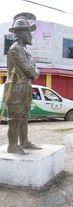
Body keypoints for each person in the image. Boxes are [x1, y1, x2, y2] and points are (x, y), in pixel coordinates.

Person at [3, 13, 40, 154]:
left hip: (25, 88)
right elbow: (32, 72)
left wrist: (34, 70)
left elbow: (34, 69)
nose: (31, 35)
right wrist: (34, 71)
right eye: (28, 32)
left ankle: (24, 142)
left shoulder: (25, 50)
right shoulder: (15, 49)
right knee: (15, 119)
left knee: (24, 117)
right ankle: (12, 146)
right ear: (20, 33)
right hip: (16, 89)